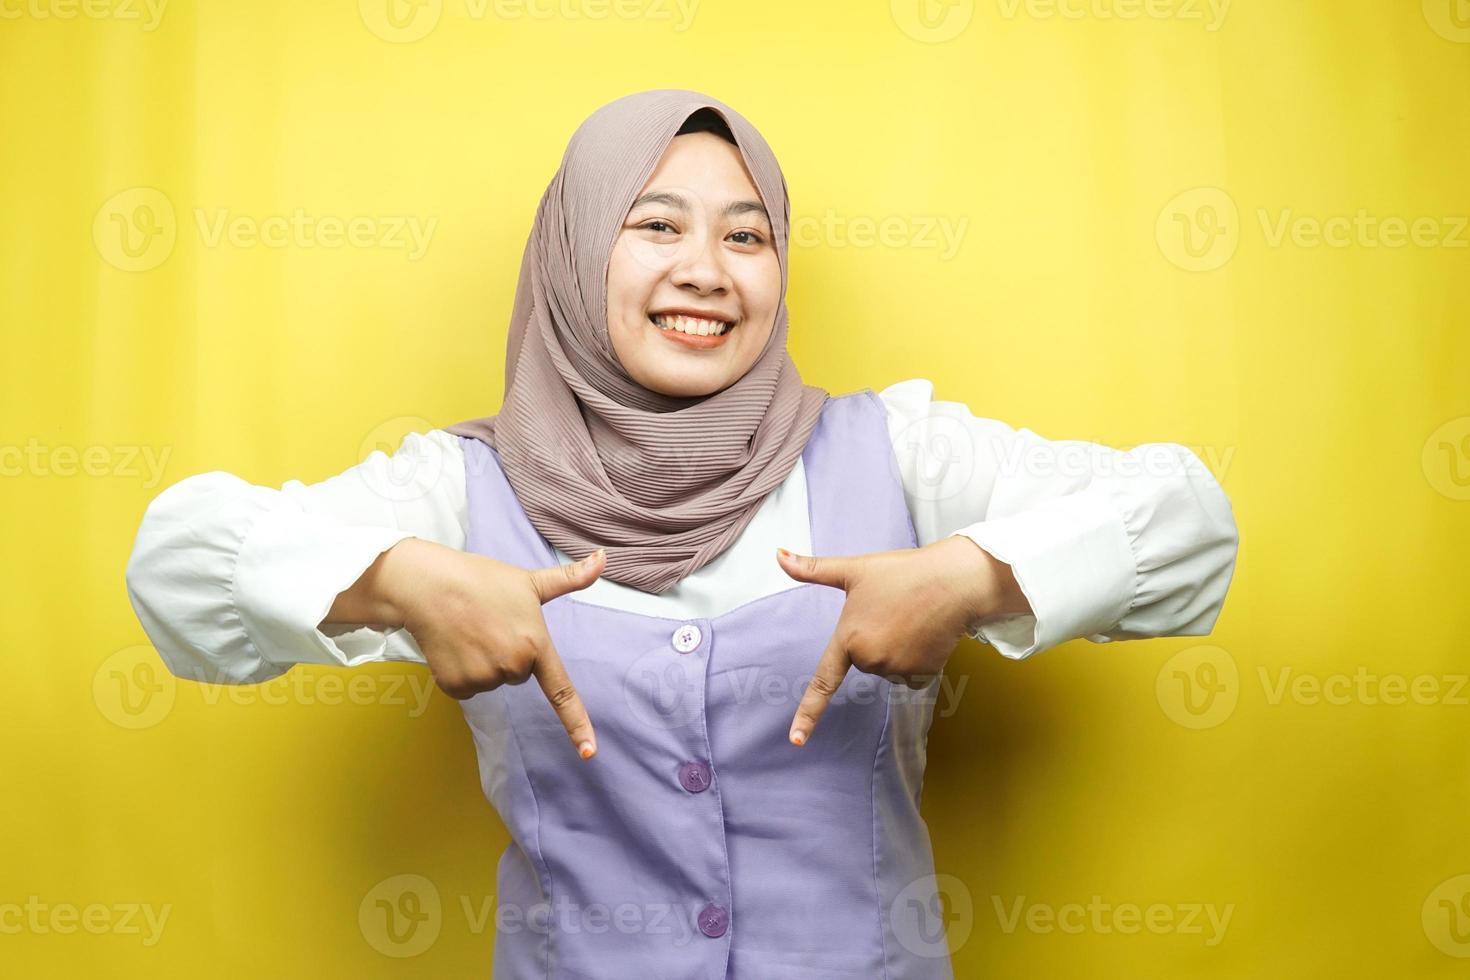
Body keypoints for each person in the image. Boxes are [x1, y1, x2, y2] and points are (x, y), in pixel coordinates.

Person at [125, 89, 1239, 978]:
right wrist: (401, 581)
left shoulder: (895, 451)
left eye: (746, 235)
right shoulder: (460, 489)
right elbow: (176, 562)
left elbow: (1189, 520)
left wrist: (972, 575)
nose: (705, 267)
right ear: (571, 257)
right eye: (654, 224)